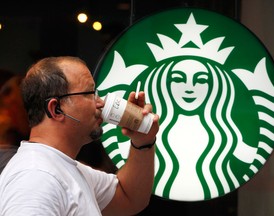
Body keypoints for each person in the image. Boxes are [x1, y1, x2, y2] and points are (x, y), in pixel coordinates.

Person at [0, 56, 159, 215]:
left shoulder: (61, 168)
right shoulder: (36, 178)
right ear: (56, 109)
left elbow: (129, 197)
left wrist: (143, 141)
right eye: (90, 93)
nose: (100, 103)